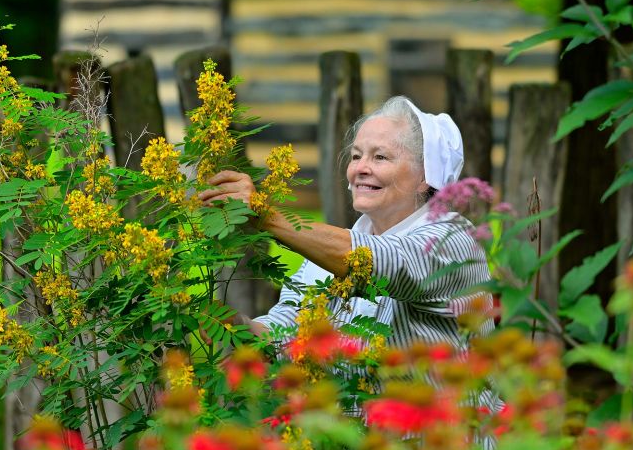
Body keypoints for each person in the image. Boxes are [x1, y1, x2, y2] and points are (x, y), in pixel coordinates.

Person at [200, 96, 494, 363]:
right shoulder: (327, 253)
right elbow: (284, 334)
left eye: (380, 157)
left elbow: (381, 262)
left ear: (424, 178)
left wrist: (266, 215)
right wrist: (234, 324)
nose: (360, 169)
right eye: (356, 156)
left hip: (447, 422)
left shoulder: (453, 239)